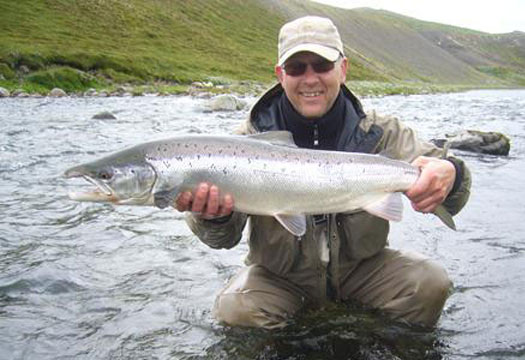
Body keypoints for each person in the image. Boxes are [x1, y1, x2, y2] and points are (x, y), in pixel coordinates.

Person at [175, 16, 471, 329]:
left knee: (429, 284)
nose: (310, 78)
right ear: (280, 75)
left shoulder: (381, 132)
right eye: (296, 68)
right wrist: (213, 217)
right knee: (235, 308)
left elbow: (452, 183)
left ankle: (390, 351)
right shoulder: (243, 143)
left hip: (363, 271)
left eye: (321, 65)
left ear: (343, 69)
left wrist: (451, 175)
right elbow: (222, 239)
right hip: (280, 280)